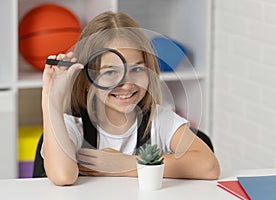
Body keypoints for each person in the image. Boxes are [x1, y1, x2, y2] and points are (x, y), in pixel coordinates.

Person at [42, 11, 220, 186]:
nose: (126, 84)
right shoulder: (73, 125)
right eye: (111, 72)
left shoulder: (158, 120)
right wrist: (51, 101)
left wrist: (127, 164)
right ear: (89, 79)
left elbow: (208, 166)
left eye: (136, 69)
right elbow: (62, 176)